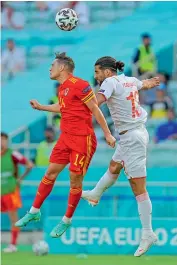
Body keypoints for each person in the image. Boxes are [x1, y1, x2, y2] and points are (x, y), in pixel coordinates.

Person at [15, 52, 116, 237]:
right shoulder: (62, 89)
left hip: (82, 140)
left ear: (62, 67)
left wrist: (108, 134)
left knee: (74, 181)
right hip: (65, 138)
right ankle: (34, 211)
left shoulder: (81, 85)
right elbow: (63, 107)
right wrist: (41, 107)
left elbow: (95, 108)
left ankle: (66, 220)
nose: (49, 69)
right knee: (50, 173)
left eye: (52, 66)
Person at [81, 56, 160, 257]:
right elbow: (144, 84)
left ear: (107, 72)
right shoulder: (130, 80)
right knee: (114, 166)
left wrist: (80, 102)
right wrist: (151, 83)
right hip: (131, 134)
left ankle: (148, 233)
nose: (96, 76)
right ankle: (96, 193)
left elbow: (97, 102)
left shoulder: (110, 82)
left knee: (138, 187)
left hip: (132, 137)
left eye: (97, 72)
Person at [1, 132, 33, 253]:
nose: (1, 142)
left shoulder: (13, 154)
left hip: (10, 191)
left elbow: (29, 165)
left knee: (13, 218)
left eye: (3, 139)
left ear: (7, 141)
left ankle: (13, 245)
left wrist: (19, 179)